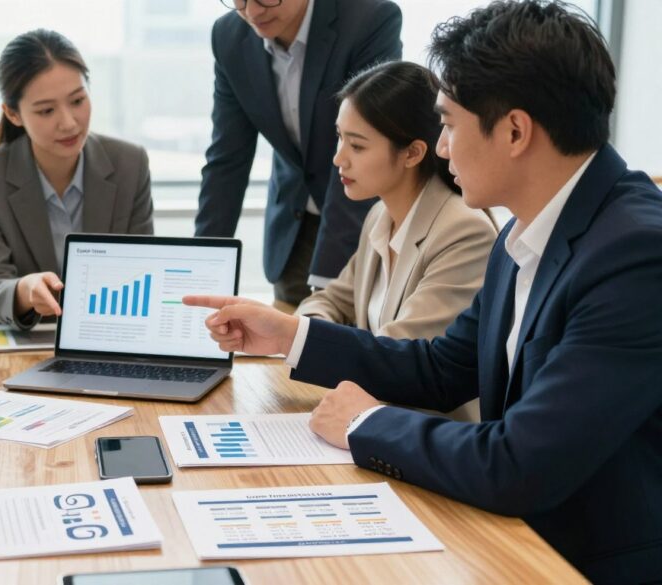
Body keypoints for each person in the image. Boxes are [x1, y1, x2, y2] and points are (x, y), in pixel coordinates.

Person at [185, 1, 662, 581]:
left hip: (579, 561)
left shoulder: (636, 254)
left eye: (450, 125)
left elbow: (521, 463)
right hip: (509, 531)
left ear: (514, 131)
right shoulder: (523, 228)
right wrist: (291, 335)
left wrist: (366, 423)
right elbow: (441, 368)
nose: (439, 148)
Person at [296, 61, 497, 421]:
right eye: (340, 137)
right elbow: (330, 300)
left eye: (357, 146)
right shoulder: (380, 215)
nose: (338, 158)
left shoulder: (464, 231)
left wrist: (295, 338)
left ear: (413, 153)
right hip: (371, 418)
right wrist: (305, 328)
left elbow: (399, 357)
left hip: (424, 437)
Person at [195, 0, 402, 306]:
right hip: (293, 224)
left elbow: (362, 148)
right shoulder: (229, 36)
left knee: (347, 336)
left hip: (362, 217)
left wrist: (325, 292)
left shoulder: (369, 19)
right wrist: (199, 266)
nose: (252, 12)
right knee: (283, 340)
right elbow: (227, 160)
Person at [0, 29, 154, 328]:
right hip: (19, 335)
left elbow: (143, 268)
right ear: (13, 114)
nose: (69, 122)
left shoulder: (130, 163)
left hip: (107, 332)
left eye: (77, 101)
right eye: (46, 110)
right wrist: (25, 290)